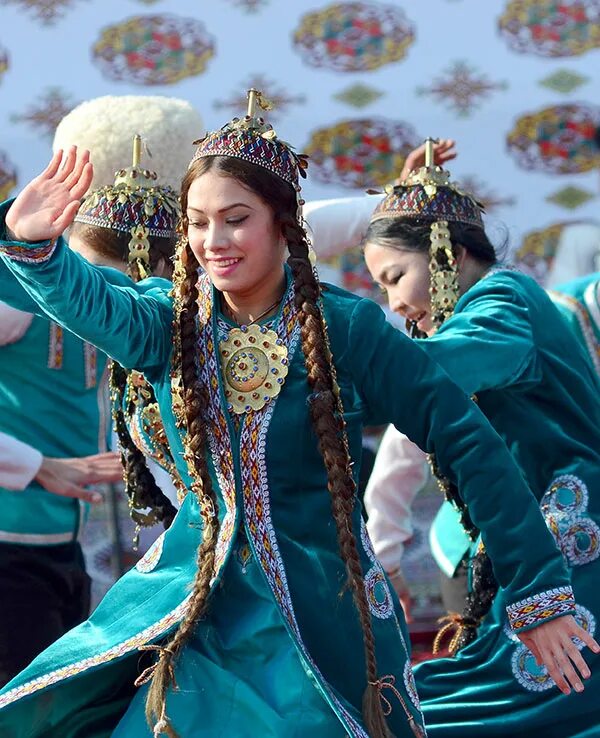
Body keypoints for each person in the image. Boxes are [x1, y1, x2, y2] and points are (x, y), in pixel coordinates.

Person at [0, 92, 595, 738]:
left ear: (286, 225)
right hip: (191, 605)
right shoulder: (171, 325)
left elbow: (464, 439)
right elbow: (95, 302)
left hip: (317, 619)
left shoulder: (348, 330)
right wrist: (36, 250)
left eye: (234, 219)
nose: (212, 241)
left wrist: (538, 592)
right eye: (197, 223)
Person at [351, 142, 600, 737]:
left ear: (447, 253)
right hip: (543, 534)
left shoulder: (501, 303)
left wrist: (326, 372)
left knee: (495, 709)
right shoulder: (500, 302)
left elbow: (438, 370)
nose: (396, 305)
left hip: (574, 536)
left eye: (395, 279)